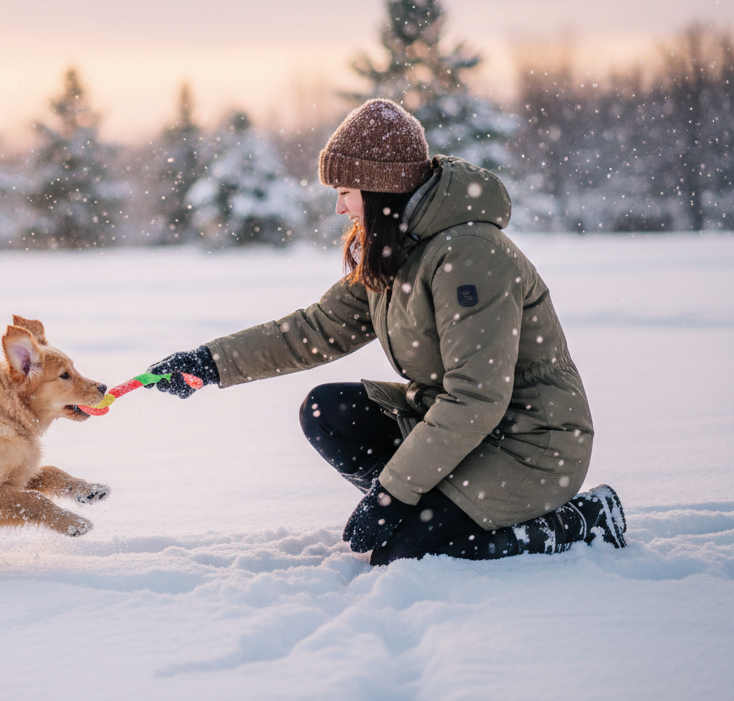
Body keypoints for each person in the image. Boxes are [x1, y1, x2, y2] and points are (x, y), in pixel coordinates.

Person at [147, 98, 626, 565]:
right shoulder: (398, 248)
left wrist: (391, 497)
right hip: (460, 430)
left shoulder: (470, 254)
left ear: (379, 190)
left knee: (407, 555)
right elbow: (314, 330)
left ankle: (583, 520)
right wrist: (208, 363)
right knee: (328, 411)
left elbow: (478, 398)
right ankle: (428, 507)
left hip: (529, 442)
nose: (339, 209)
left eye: (345, 192)